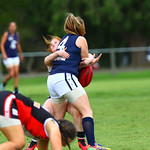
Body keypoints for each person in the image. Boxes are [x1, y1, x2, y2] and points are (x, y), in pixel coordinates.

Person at [45, 13, 111, 150]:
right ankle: (92, 145)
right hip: (65, 78)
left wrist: (87, 62)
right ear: (81, 28)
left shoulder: (63, 39)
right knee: (87, 111)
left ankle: (55, 147)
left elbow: (74, 62)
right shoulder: (81, 39)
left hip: (52, 79)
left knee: (58, 119)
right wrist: (92, 60)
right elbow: (85, 60)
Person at [26, 36, 89, 150]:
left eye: (55, 43)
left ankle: (82, 142)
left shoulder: (71, 56)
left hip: (68, 95)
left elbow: (81, 62)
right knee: (43, 114)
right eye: (51, 45)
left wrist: (90, 61)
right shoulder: (52, 59)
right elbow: (47, 60)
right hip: (56, 97)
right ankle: (33, 144)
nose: (53, 45)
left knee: (77, 112)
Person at [0, 91, 76, 150]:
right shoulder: (53, 127)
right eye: (66, 142)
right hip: (9, 101)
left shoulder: (44, 135)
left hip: (7, 101)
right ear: (63, 134)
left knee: (14, 146)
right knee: (18, 142)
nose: (63, 145)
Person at [0, 22, 24, 93]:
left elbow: (18, 44)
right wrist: (4, 54)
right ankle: (4, 83)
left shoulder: (16, 35)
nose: (13, 27)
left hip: (15, 56)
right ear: (9, 27)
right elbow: (1, 44)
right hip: (8, 57)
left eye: (14, 26)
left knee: (16, 73)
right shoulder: (6, 34)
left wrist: (21, 54)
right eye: (11, 26)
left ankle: (16, 89)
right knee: (12, 73)